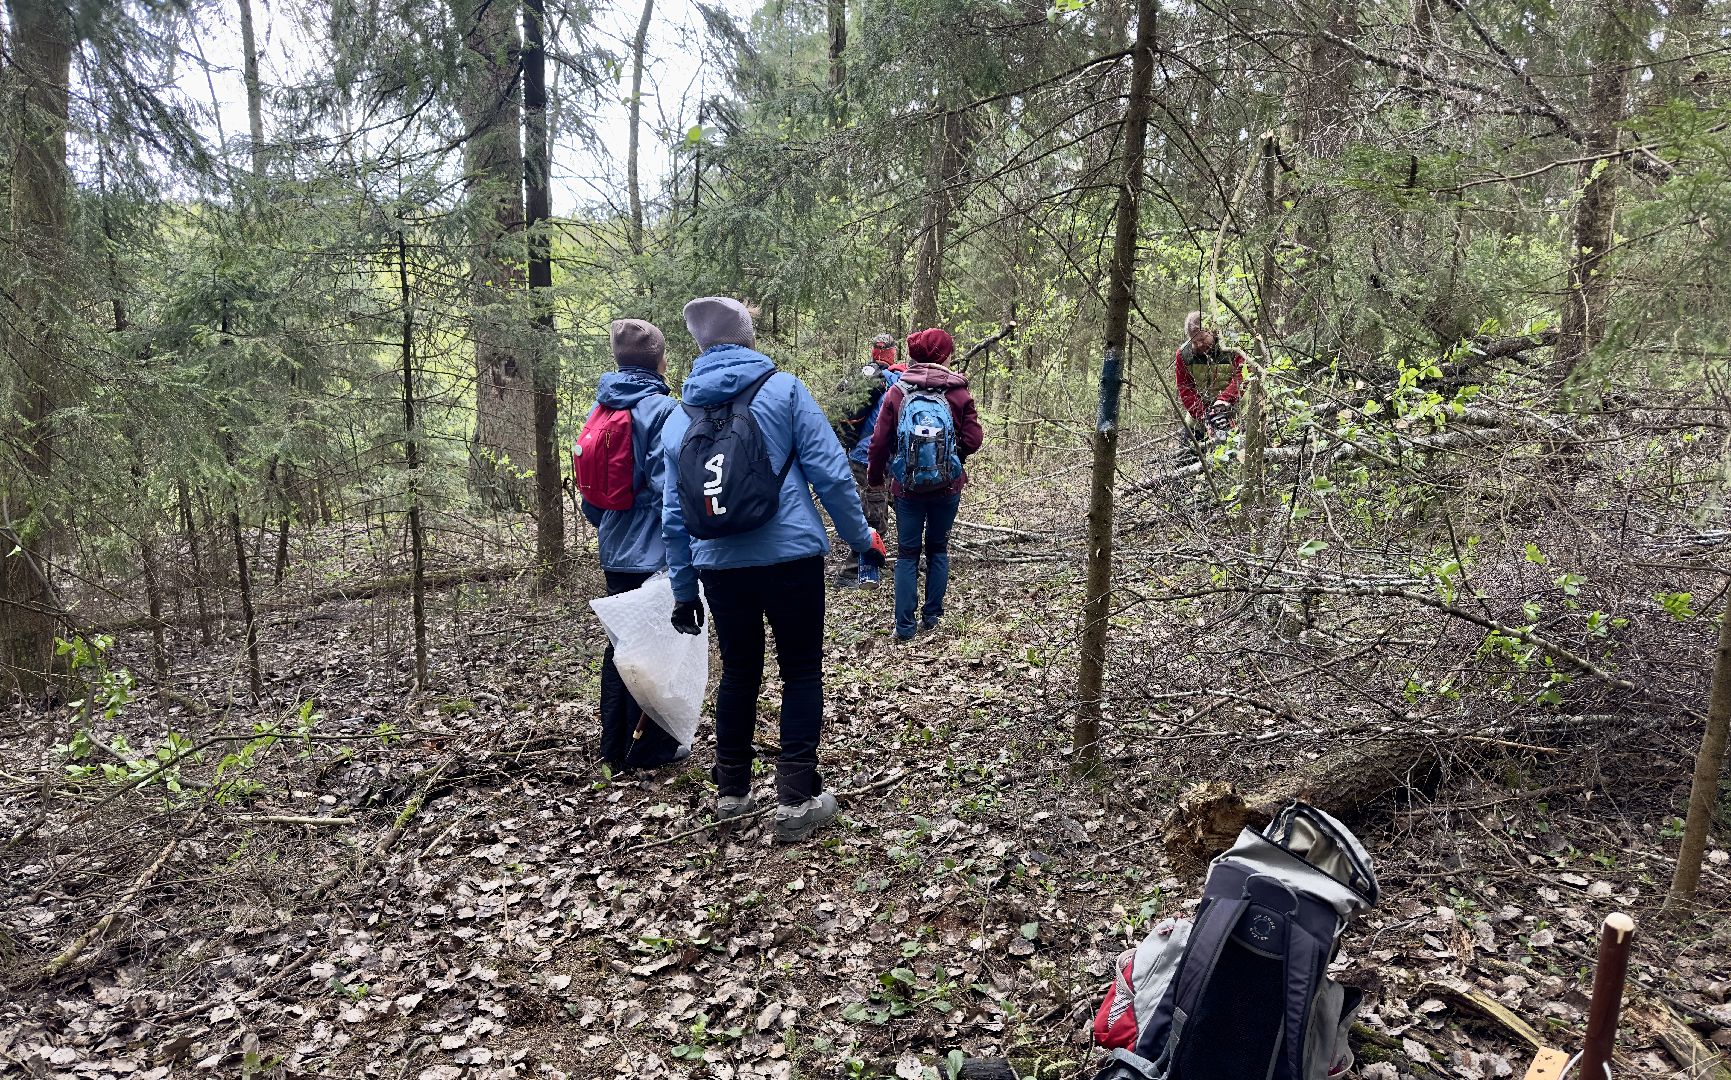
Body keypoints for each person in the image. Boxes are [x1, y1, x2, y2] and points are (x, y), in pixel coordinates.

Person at [660, 297, 885, 843]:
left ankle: (731, 793)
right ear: (746, 338)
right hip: (791, 558)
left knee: (739, 672)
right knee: (801, 671)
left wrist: (684, 591)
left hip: (719, 565)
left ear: (700, 347)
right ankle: (796, 800)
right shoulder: (783, 391)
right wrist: (862, 540)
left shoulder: (677, 415)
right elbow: (830, 474)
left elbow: (673, 514)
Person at [578, 319, 688, 773]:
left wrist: (609, 526)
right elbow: (669, 491)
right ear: (660, 361)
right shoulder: (662, 410)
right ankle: (651, 749)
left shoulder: (601, 407)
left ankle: (614, 746)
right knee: (657, 648)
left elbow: (591, 494)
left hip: (615, 545)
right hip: (656, 550)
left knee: (621, 645)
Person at [866, 327, 983, 642]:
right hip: (948, 487)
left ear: (913, 355)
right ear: (945, 355)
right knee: (937, 549)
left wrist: (876, 478)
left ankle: (904, 627)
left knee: (906, 554)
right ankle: (932, 616)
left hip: (907, 488)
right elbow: (974, 439)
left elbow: (878, 443)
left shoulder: (898, 392)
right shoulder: (957, 392)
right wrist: (951, 457)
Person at [834, 333, 904, 588]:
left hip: (861, 456)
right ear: (892, 353)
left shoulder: (861, 379)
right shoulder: (896, 380)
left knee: (884, 507)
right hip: (878, 458)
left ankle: (911, 560)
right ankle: (855, 570)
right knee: (877, 514)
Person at [1176, 311, 1247, 440]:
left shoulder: (1232, 344)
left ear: (1212, 330)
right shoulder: (1184, 355)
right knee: (1187, 453)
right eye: (1194, 341)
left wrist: (1224, 400)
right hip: (1202, 410)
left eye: (1202, 339)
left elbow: (1243, 375)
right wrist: (1204, 415)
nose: (1199, 345)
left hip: (1236, 405)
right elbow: (1185, 388)